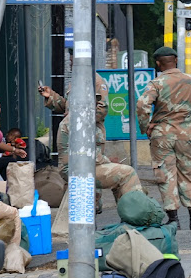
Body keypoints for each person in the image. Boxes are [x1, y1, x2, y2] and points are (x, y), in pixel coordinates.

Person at [43, 72, 143, 204]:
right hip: (81, 167)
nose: (96, 103)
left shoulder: (78, 117)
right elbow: (89, 156)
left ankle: (127, 214)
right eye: (93, 100)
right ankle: (137, 212)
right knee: (127, 173)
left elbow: (98, 111)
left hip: (82, 164)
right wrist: (109, 161)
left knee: (108, 183)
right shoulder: (79, 123)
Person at [136, 46, 191, 230]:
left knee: (166, 175)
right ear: (175, 60)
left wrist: (146, 127)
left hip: (162, 135)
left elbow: (142, 106)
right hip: (185, 135)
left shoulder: (156, 83)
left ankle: (174, 219)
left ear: (158, 63)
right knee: (187, 174)